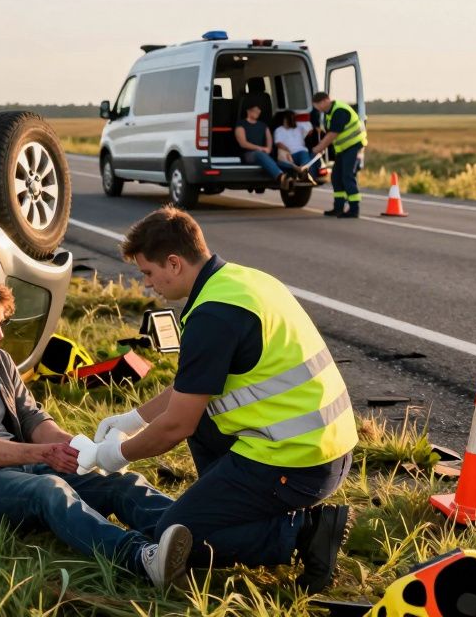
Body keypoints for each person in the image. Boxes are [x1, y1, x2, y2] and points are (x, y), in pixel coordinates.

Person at [91, 208, 357, 592]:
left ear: (174, 262)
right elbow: (192, 388)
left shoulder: (213, 316)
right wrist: (133, 417)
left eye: (148, 273)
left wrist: (116, 455)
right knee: (200, 421)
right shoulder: (241, 281)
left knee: (176, 538)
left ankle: (305, 532)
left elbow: (177, 425)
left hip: (299, 462)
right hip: (323, 445)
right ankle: (231, 510)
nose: (147, 284)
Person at [0, 274, 193, 588]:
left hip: (22, 463)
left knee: (119, 482)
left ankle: (197, 535)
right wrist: (45, 454)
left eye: (1, 323)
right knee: (50, 490)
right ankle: (142, 558)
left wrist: (83, 448)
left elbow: (32, 420)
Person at [310, 92, 368, 217]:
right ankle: (338, 207)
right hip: (343, 148)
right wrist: (324, 147)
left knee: (347, 176)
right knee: (336, 177)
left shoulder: (339, 111)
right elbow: (330, 132)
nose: (318, 109)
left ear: (326, 100)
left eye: (318, 105)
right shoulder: (328, 113)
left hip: (353, 146)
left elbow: (333, 133)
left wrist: (319, 147)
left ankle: (354, 209)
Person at [234, 105, 292, 188]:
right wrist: (260, 148)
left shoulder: (263, 126)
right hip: (248, 154)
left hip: (263, 153)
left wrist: (268, 149)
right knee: (259, 154)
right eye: (255, 110)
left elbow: (269, 140)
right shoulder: (241, 125)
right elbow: (243, 143)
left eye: (259, 111)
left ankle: (294, 175)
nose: (258, 112)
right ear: (248, 111)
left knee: (273, 157)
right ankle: (280, 177)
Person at [272, 111, 319, 185]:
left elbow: (310, 130)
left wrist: (299, 118)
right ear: (284, 119)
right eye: (288, 118)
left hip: (301, 152)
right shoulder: (279, 130)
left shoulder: (299, 127)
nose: (290, 120)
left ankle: (304, 172)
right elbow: (278, 143)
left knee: (305, 155)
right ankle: (300, 170)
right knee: (281, 161)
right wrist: (288, 151)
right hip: (287, 154)